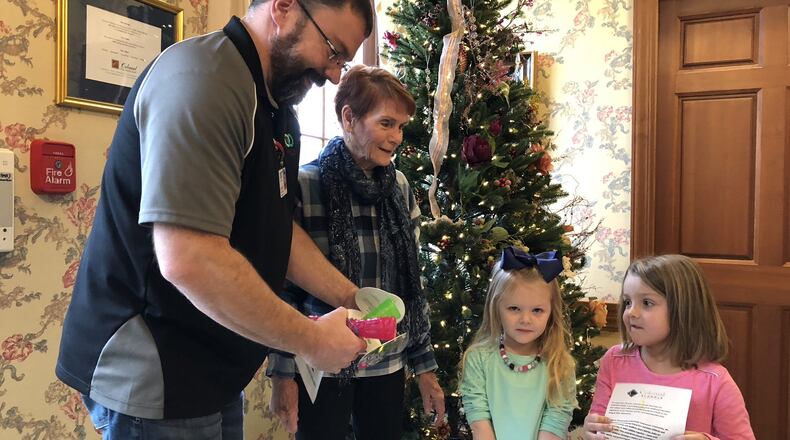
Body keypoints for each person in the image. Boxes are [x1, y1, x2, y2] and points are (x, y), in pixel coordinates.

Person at [55, 0, 375, 438]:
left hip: (215, 366)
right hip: (155, 370)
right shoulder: (204, 80)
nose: (335, 74)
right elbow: (189, 259)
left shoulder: (275, 106)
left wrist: (352, 296)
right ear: (283, 8)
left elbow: (276, 230)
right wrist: (313, 340)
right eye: (333, 51)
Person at [266, 65, 445, 440]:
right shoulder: (306, 184)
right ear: (349, 117)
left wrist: (425, 367)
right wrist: (283, 374)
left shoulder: (399, 186)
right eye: (386, 124)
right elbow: (282, 291)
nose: (397, 137)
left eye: (401, 126)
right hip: (323, 365)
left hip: (387, 367)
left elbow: (412, 285)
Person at [583, 255, 755, 440]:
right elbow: (599, 421)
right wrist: (592, 428)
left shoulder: (715, 381)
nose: (631, 312)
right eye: (627, 302)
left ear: (683, 308)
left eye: (647, 303)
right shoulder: (615, 360)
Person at [459, 247, 577, 440]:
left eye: (537, 310)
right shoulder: (478, 358)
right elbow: (478, 417)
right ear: (496, 308)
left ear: (551, 312)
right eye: (514, 308)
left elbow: (556, 420)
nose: (525, 319)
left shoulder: (560, 364)